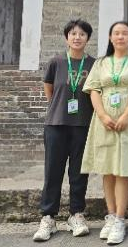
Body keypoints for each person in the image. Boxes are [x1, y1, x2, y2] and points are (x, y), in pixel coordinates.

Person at [81, 21, 128, 245]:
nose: (120, 37)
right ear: (110, 38)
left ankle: (121, 219)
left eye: (124, 33)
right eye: (116, 33)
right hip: (104, 122)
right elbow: (94, 89)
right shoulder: (101, 63)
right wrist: (103, 115)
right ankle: (111, 216)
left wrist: (126, 115)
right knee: (107, 170)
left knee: (123, 170)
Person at [33, 19, 96, 242]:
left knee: (79, 172)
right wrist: (57, 109)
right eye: (73, 34)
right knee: (53, 171)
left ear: (88, 38)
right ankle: (48, 217)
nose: (77, 37)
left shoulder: (94, 64)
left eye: (82, 34)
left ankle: (76, 215)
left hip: (83, 124)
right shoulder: (56, 62)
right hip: (56, 124)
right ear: (66, 37)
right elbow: (49, 89)